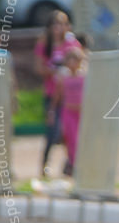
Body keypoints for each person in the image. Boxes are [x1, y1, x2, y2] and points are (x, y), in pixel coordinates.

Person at [33, 10, 82, 177]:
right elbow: (39, 67)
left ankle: (71, 163)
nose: (58, 28)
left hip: (71, 97)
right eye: (55, 24)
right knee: (52, 130)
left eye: (62, 24)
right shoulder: (45, 44)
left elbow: (81, 63)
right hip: (52, 93)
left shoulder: (72, 44)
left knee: (70, 132)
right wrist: (54, 70)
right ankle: (45, 163)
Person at [51, 46, 87, 177]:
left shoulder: (85, 76)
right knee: (70, 139)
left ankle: (80, 163)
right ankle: (73, 163)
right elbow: (58, 96)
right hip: (68, 111)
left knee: (80, 139)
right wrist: (52, 111)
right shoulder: (63, 77)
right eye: (70, 60)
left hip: (81, 113)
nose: (72, 63)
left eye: (75, 60)